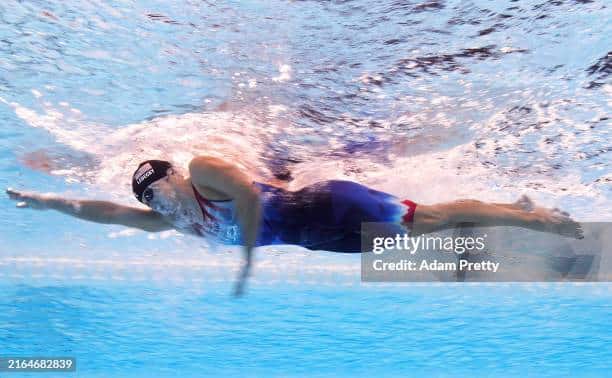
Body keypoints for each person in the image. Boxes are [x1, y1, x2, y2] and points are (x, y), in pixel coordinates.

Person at [7, 156, 583, 295]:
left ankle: (534, 218)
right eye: (151, 203)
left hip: (330, 206)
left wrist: (248, 260)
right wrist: (44, 202)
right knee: (422, 233)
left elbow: (245, 196)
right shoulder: (183, 222)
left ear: (174, 177)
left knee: (431, 217)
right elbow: (105, 213)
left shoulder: (205, 172)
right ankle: (514, 209)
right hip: (321, 237)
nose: (159, 207)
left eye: (160, 193)